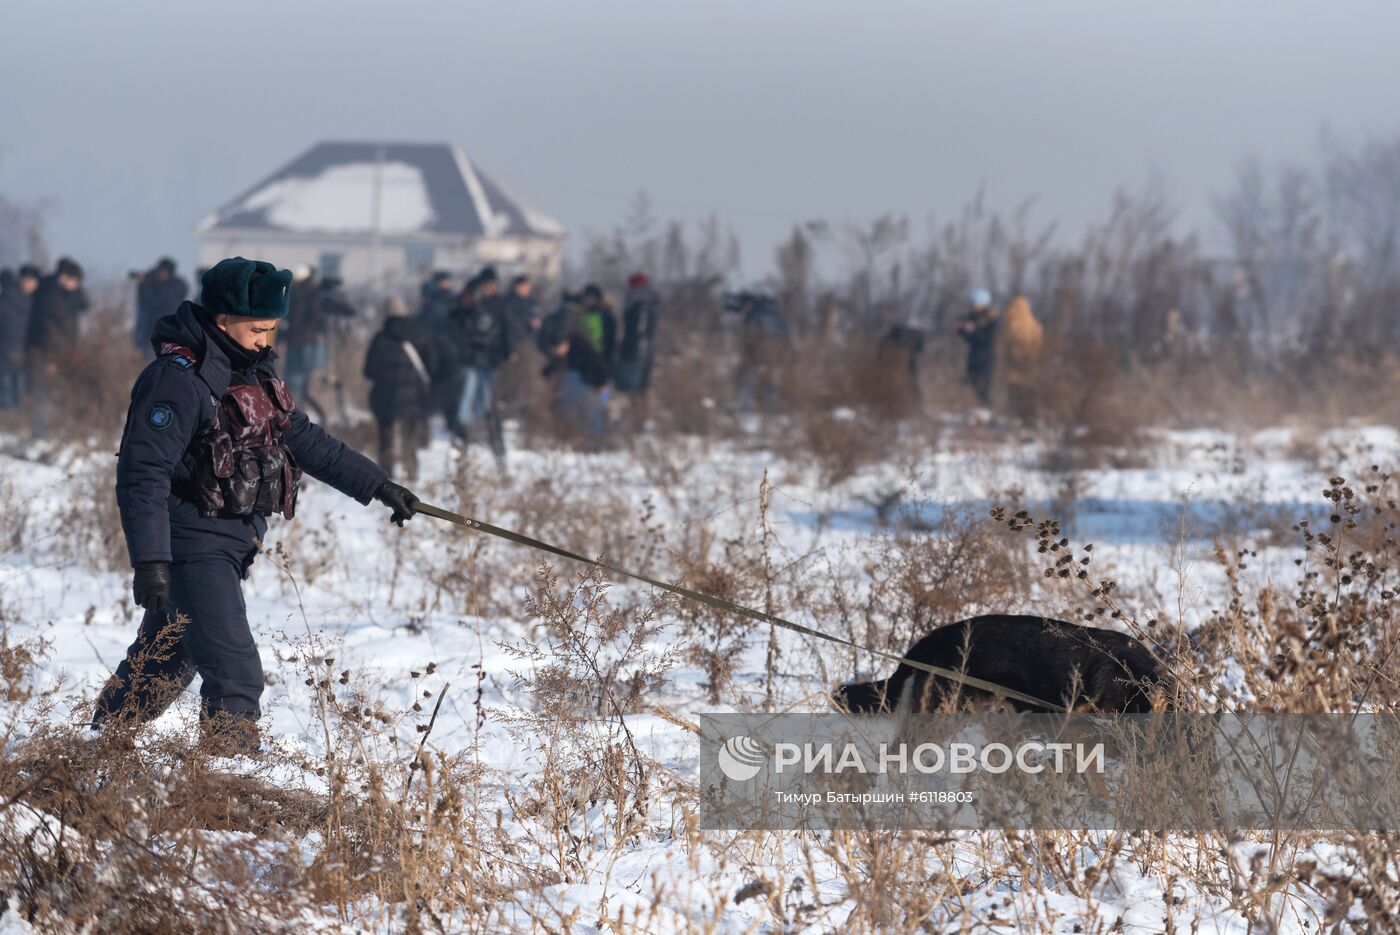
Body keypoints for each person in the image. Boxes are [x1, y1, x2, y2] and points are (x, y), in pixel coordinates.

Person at [92, 257, 419, 755]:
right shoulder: (177, 380)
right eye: (258, 328)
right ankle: (228, 789)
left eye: (272, 329)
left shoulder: (251, 373)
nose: (267, 340)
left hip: (227, 543)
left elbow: (307, 441)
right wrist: (152, 561)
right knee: (235, 673)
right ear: (222, 319)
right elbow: (143, 473)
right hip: (191, 545)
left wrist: (377, 485)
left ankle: (94, 747)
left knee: (165, 661)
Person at [364, 296, 435, 480]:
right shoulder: (419, 335)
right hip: (413, 396)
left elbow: (369, 371)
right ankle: (412, 471)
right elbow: (431, 364)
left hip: (386, 396)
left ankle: (385, 473)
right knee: (410, 435)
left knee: (386, 437)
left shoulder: (380, 339)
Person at [448, 266, 512, 462]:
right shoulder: (469, 300)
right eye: (488, 284)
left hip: (489, 358)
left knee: (485, 401)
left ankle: (485, 435)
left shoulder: (498, 303)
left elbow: (505, 327)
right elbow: (456, 324)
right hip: (471, 357)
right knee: (467, 398)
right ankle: (463, 436)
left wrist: (507, 351)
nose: (491, 288)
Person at [25, 257, 86, 438]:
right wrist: (51, 358)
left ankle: (48, 429)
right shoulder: (51, 295)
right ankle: (42, 431)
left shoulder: (60, 294)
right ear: (64, 277)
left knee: (49, 391)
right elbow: (48, 330)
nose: (76, 285)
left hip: (57, 351)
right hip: (46, 353)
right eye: (75, 281)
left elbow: (83, 305)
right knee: (43, 391)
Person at [283, 268, 354, 422]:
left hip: (307, 343)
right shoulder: (300, 294)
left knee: (303, 381)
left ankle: (298, 416)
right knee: (299, 382)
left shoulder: (308, 295)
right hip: (303, 343)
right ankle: (296, 415)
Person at [540, 315, 610, 444]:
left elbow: (599, 366)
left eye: (557, 348)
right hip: (582, 388)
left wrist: (602, 384)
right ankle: (572, 437)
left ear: (564, 343)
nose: (556, 352)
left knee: (592, 414)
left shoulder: (582, 349)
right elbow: (554, 365)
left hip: (591, 386)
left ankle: (595, 440)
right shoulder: (567, 352)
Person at [735, 292, 788, 415]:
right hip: (777, 357)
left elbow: (750, 338)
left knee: (749, 383)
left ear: (749, 303)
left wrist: (747, 356)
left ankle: (746, 412)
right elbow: (787, 337)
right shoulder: (777, 315)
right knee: (772, 386)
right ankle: (771, 413)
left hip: (759, 356)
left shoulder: (754, 316)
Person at [998, 295, 1043, 422]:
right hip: (1030, 362)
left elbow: (1004, 339)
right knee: (1027, 389)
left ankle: (1016, 415)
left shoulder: (1012, 322)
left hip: (1015, 362)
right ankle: (1027, 416)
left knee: (1015, 389)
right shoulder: (1034, 323)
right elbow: (1038, 342)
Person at [0, 265, 38, 410]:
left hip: (4, 352)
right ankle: (17, 421)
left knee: (6, 392)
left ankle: (8, 424)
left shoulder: (3, 302)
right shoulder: (29, 301)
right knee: (20, 392)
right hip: (24, 352)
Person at [615, 272, 660, 396]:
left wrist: (632, 347)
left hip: (635, 349)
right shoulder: (649, 301)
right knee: (640, 385)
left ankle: (633, 409)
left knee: (630, 384)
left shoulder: (641, 303)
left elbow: (639, 329)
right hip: (641, 348)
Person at [134, 257, 190, 354]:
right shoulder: (175, 286)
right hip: (170, 334)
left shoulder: (168, 289)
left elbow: (151, 302)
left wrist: (145, 284)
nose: (160, 274)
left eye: (162, 271)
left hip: (162, 334)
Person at [956, 288, 999, 407]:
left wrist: (973, 331)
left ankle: (987, 410)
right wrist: (962, 330)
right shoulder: (972, 318)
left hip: (986, 357)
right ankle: (976, 408)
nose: (972, 307)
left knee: (983, 387)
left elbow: (987, 339)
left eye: (974, 304)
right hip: (974, 356)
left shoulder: (991, 320)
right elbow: (970, 339)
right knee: (971, 383)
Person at [576, 284, 618, 368]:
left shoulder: (606, 316)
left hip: (600, 360)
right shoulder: (579, 315)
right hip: (582, 361)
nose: (588, 301)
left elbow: (610, 340)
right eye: (586, 298)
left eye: (591, 297)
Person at [503, 274, 542, 349]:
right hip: (517, 344)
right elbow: (511, 324)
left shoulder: (532, 301)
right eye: (523, 286)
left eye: (528, 286)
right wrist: (529, 321)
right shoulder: (510, 303)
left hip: (533, 342)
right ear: (516, 287)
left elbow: (537, 315)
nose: (527, 288)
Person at [417, 270, 456, 337]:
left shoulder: (442, 298)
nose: (450, 284)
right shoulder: (439, 301)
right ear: (440, 283)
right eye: (447, 281)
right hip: (441, 337)